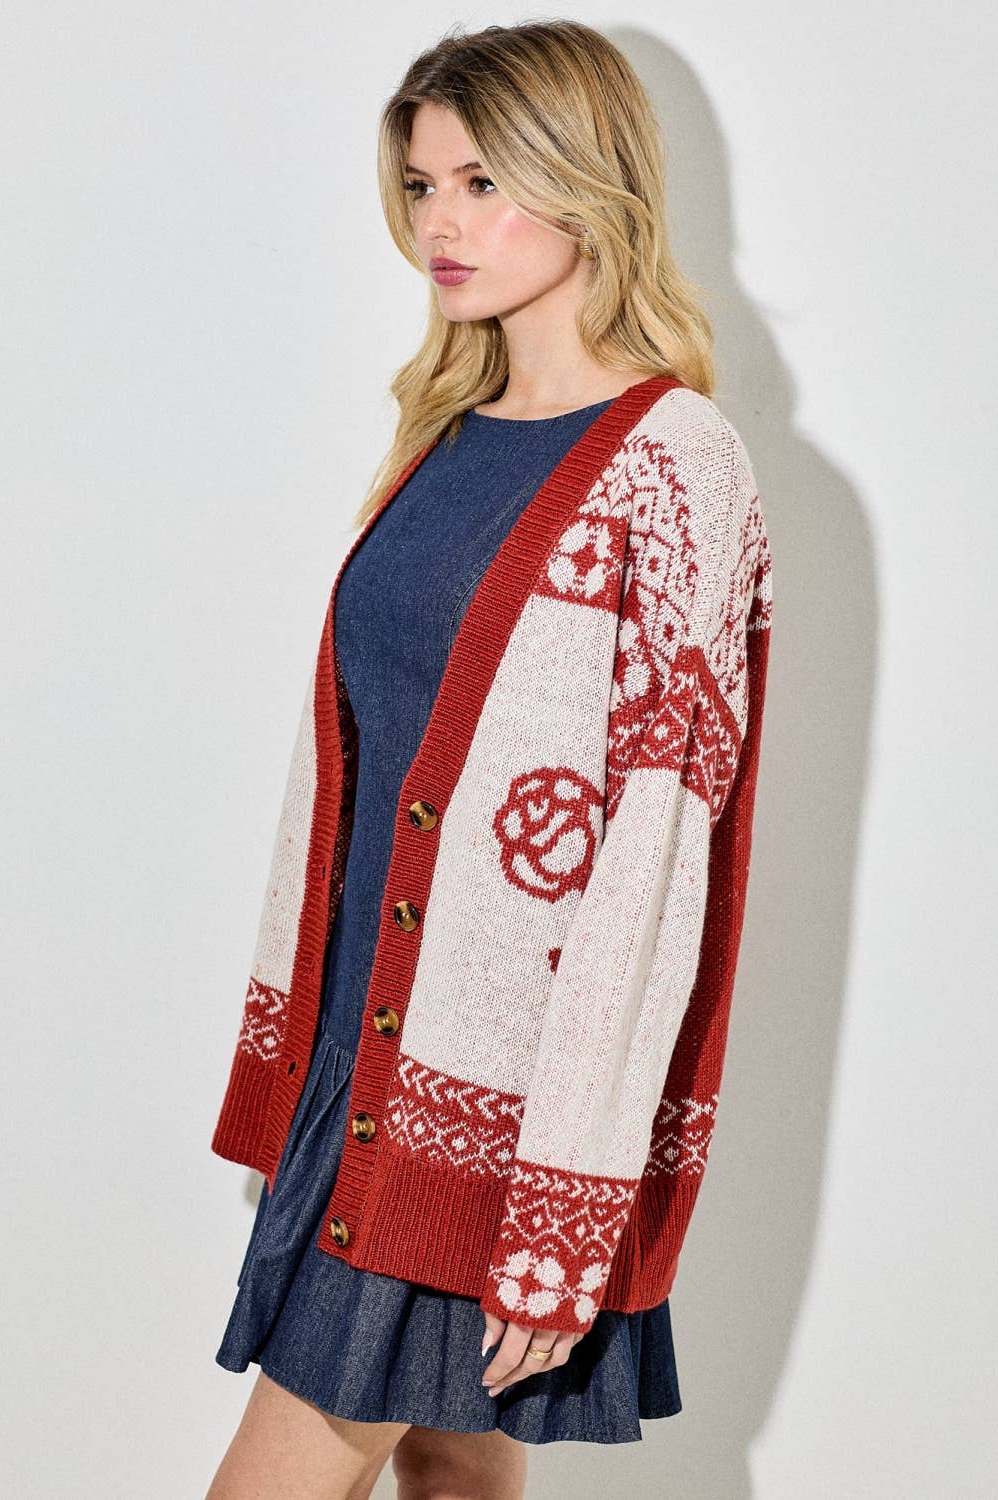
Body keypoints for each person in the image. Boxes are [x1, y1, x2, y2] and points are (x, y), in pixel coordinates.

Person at [205, 18, 773, 1500]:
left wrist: (569, 1198)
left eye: (482, 184)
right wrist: (295, 1070)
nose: (438, 226)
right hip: (364, 1060)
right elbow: (358, 771)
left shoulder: (676, 464)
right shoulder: (444, 432)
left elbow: (657, 860)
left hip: (502, 1106)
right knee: (457, 1470)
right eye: (420, 186)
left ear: (589, 183)